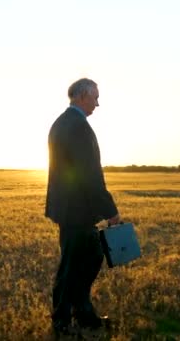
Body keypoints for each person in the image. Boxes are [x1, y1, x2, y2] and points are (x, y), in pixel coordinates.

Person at [45, 78, 121, 336]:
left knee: (88, 257)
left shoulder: (62, 122)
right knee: (72, 266)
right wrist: (110, 211)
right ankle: (63, 321)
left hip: (69, 207)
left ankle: (82, 312)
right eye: (95, 97)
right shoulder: (77, 126)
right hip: (76, 209)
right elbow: (89, 174)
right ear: (81, 96)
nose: (98, 104)